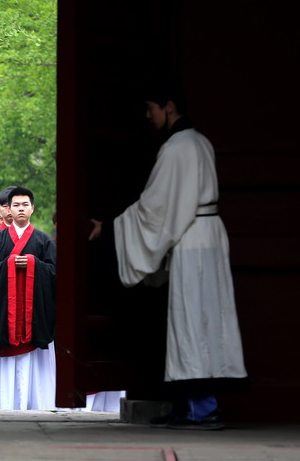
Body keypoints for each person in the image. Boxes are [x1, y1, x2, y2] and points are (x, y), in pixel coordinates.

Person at [89, 79, 247, 430]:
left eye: (151, 108)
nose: (148, 115)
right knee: (201, 322)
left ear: (169, 106)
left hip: (192, 240)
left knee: (191, 323)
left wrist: (112, 227)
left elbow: (156, 207)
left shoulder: (177, 147)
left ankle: (200, 409)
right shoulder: (200, 142)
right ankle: (190, 406)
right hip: (206, 236)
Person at [0, 187, 57, 410]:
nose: (21, 209)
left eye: (25, 205)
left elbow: (54, 272)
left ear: (32, 208)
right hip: (4, 313)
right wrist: (8, 265)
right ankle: (2, 403)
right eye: (16, 205)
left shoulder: (43, 240)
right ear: (8, 210)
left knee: (35, 364)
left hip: (34, 314)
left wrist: (34, 264)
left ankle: (37, 403)